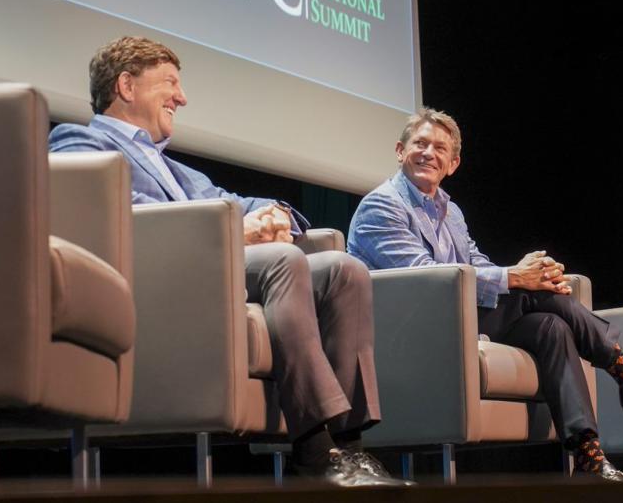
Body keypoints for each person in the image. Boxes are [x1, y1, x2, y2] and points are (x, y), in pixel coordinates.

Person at [50, 36, 409, 487]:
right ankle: (315, 451)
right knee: (282, 261)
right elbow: (114, 216)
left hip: (216, 271)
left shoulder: (177, 170)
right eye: (170, 83)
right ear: (126, 85)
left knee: (344, 269)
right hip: (162, 277)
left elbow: (234, 201)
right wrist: (240, 231)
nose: (182, 97)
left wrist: (276, 215)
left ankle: (349, 450)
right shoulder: (79, 140)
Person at [348, 108, 623, 481]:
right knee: (532, 293)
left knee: (551, 326)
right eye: (420, 144)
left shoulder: (450, 211)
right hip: (408, 331)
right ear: (399, 150)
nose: (429, 153)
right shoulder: (382, 205)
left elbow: (474, 261)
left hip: (456, 320)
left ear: (453, 163)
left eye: (440, 148)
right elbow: (424, 277)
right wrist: (516, 277)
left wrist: (529, 276)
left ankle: (588, 455)